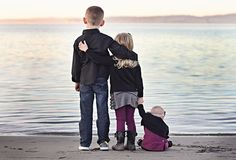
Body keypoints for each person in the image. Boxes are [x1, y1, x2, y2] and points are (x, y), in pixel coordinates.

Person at [71, 6, 138, 151]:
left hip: (84, 81)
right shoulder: (106, 40)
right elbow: (124, 53)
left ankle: (84, 143)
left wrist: (76, 80)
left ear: (84, 20)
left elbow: (76, 64)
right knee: (102, 111)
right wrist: (132, 55)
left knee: (85, 112)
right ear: (102, 23)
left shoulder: (79, 41)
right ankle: (103, 142)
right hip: (101, 81)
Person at [79, 33, 144, 151]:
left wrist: (87, 50)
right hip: (132, 94)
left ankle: (119, 144)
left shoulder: (113, 61)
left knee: (120, 119)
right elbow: (139, 81)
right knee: (130, 119)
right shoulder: (135, 62)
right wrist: (140, 96)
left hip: (118, 94)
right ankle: (131, 144)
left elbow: (98, 59)